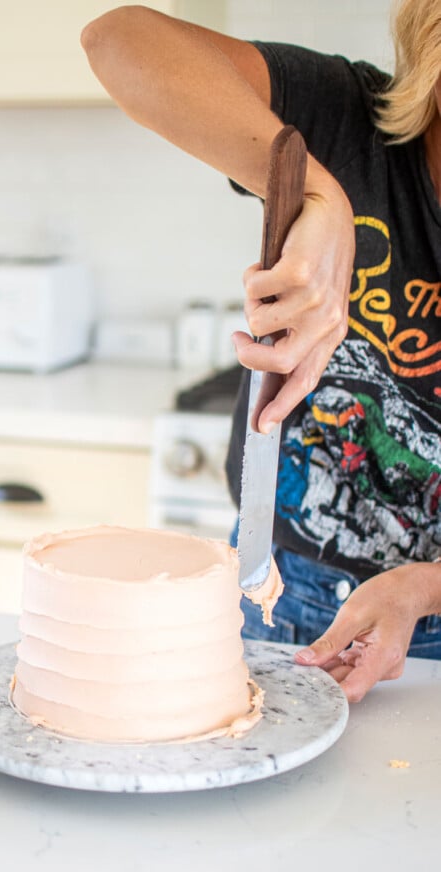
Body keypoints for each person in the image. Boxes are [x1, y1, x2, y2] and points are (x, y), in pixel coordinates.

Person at [81, 1, 441, 702]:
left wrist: (422, 588)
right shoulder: (347, 121)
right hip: (279, 588)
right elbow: (119, 41)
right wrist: (316, 191)